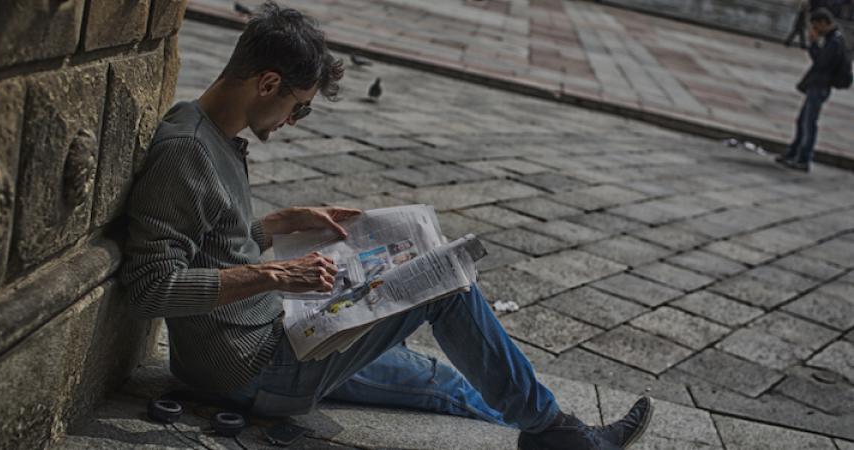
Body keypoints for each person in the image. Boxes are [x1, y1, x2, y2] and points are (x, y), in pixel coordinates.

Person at [120, 3, 652, 448]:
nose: (291, 122)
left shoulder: (210, 131)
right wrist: (277, 276)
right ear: (268, 83)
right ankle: (558, 436)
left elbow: (213, 242)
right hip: (249, 369)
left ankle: (545, 421)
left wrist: (279, 225)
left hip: (273, 336)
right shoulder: (188, 151)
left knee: (438, 379)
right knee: (444, 284)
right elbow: (149, 288)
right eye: (298, 109)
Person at [777, 8, 848, 172]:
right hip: (818, 85)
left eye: (816, 27)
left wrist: (814, 45)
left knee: (809, 123)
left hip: (820, 86)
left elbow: (822, 63)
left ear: (824, 23)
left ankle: (803, 158)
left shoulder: (835, 41)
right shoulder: (834, 39)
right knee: (802, 121)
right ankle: (793, 153)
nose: (815, 30)